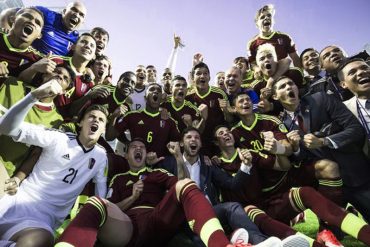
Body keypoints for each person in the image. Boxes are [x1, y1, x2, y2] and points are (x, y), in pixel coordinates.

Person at [156, 127, 309, 247]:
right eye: (189, 137)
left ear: (201, 144)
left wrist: (245, 165)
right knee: (201, 240)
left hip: (210, 211)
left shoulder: (208, 164)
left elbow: (232, 184)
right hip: (185, 215)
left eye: (197, 137)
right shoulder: (168, 162)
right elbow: (181, 187)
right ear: (182, 143)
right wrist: (174, 158)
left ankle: (261, 243)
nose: (193, 140)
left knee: (233, 207)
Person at [0, 80, 108, 246]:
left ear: (104, 130)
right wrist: (33, 96)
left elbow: (101, 196)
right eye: (91, 117)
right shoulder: (58, 138)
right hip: (14, 200)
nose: (96, 121)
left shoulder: (101, 157)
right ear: (80, 123)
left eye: (101, 120)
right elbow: (7, 127)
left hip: (41, 221)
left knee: (39, 241)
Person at [108, 138, 251, 247]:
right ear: (126, 155)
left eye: (142, 147)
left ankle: (223, 244)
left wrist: (178, 157)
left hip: (157, 219)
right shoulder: (118, 178)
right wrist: (133, 198)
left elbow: (184, 185)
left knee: (186, 185)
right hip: (128, 224)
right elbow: (110, 211)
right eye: (134, 147)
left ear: (146, 154)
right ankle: (229, 238)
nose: (138, 149)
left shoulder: (158, 173)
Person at [272, 76, 370, 223]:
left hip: (355, 176)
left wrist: (324, 141)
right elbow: (299, 158)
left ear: (297, 88)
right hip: (327, 186)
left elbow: (355, 129)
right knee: (333, 236)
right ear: (275, 96)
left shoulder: (320, 99)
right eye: (282, 86)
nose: (288, 87)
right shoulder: (283, 124)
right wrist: (296, 147)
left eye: (291, 83)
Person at [0, 63, 75, 178]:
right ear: (45, 75)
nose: (60, 76)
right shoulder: (12, 85)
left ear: (63, 91)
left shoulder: (56, 121)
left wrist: (17, 179)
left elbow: (35, 154)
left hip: (5, 169)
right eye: (57, 71)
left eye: (65, 79)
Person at [106, 83, 181, 157]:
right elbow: (109, 137)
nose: (155, 91)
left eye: (158, 90)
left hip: (160, 165)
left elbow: (179, 143)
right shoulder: (132, 116)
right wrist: (114, 117)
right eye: (151, 90)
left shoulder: (169, 121)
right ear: (145, 98)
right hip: (137, 164)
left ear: (161, 98)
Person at [186, 62, 232, 156]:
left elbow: (230, 120)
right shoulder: (188, 99)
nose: (202, 76)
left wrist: (226, 111)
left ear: (209, 78)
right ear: (193, 78)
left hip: (219, 142)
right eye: (198, 73)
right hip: (200, 143)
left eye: (205, 73)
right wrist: (203, 118)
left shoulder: (219, 94)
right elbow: (195, 130)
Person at [0, 7, 44, 78]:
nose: (32, 22)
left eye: (37, 23)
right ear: (13, 19)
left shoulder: (36, 60)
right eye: (27, 16)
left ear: (39, 35)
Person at [338, 58, 370, 155]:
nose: (361, 72)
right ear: (344, 84)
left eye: (365, 68)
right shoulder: (342, 110)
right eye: (352, 72)